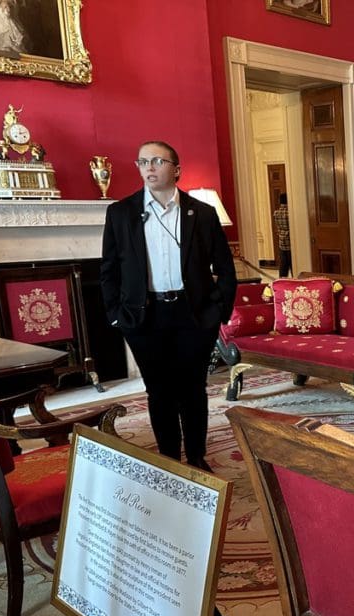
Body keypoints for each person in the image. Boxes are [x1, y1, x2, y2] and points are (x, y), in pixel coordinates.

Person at [100, 140, 237, 470]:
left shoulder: (201, 214)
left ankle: (197, 457)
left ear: (176, 169)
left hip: (193, 314)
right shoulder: (120, 213)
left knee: (192, 390)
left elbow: (225, 268)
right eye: (143, 161)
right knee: (159, 391)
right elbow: (109, 270)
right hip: (144, 315)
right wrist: (117, 315)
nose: (149, 167)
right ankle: (170, 460)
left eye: (157, 161)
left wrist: (219, 311)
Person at [273, 192, 292, 278]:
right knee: (293, 266)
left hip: (281, 241)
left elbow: (277, 227)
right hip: (290, 241)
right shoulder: (290, 213)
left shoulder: (276, 213)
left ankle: (282, 282)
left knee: (283, 266)